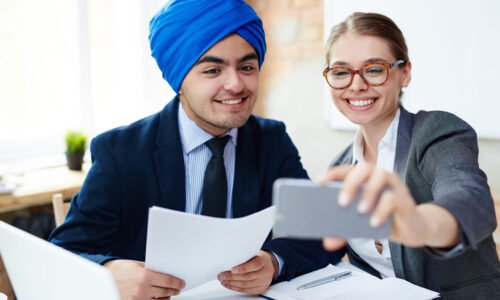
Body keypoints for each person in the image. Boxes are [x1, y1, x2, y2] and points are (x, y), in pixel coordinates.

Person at [49, 1, 341, 299]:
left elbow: (323, 234)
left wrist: (274, 263)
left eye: (247, 67)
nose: (236, 84)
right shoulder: (120, 153)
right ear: (178, 80)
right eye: (213, 70)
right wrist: (108, 272)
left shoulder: (271, 140)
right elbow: (60, 257)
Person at [320, 12, 500, 299]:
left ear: (405, 73)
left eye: (375, 69)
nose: (356, 85)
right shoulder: (342, 167)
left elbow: (469, 197)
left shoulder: (436, 131)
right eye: (341, 72)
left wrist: (420, 223)